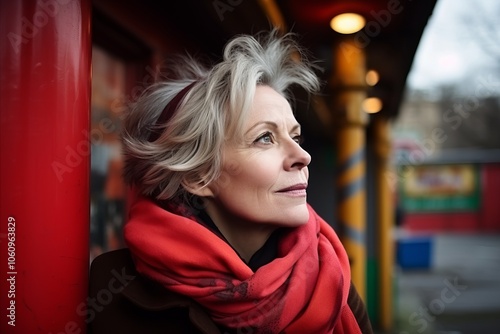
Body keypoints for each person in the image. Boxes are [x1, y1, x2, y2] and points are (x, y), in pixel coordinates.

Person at [88, 30, 373, 334]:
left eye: (296, 136)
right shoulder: (114, 291)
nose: (302, 156)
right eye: (265, 138)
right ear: (198, 176)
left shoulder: (329, 280)